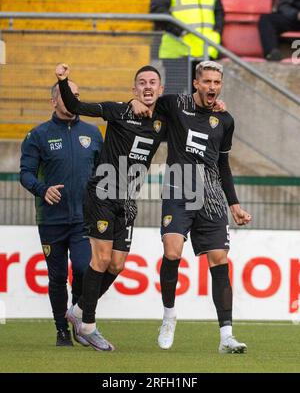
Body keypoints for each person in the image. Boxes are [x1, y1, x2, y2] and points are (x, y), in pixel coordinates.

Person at [130, 61, 251, 354]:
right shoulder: (175, 104)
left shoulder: (225, 120)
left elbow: (223, 164)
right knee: (172, 251)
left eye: (216, 83)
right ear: (196, 83)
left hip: (210, 196)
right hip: (178, 189)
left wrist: (233, 203)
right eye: (207, 82)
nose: (212, 87)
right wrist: (135, 100)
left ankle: (226, 336)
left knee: (219, 260)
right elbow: (148, 101)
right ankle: (169, 316)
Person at [55, 63, 168, 351]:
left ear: (160, 89)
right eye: (141, 82)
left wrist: (216, 107)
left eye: (152, 82)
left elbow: (193, 118)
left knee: (117, 265)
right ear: (134, 89)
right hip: (103, 193)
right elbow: (74, 104)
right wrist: (63, 80)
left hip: (128, 201)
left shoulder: (164, 121)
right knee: (101, 260)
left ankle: (78, 311)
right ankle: (88, 327)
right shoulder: (119, 110)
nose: (147, 86)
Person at [20, 81, 103, 346]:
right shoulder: (38, 135)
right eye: (66, 95)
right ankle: (61, 330)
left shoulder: (93, 133)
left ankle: (79, 321)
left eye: (76, 95)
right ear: (53, 101)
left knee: (82, 269)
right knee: (57, 277)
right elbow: (25, 173)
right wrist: (42, 189)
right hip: (51, 220)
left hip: (83, 219)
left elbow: (103, 174)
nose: (72, 98)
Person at [150, 0, 224, 93]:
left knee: (201, 97)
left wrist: (217, 32)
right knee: (174, 97)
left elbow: (219, 13)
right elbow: (157, 12)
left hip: (205, 51)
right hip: (178, 51)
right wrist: (180, 31)